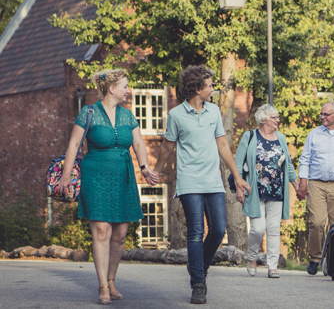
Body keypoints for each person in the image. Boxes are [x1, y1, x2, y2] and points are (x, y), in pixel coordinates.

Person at [151, 65, 249, 305]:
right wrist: (155, 171)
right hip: (190, 182)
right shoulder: (176, 115)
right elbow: (167, 146)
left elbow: (223, 145)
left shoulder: (214, 111)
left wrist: (236, 176)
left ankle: (199, 266)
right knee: (196, 232)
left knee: (218, 230)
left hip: (213, 181)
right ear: (197, 89)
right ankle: (198, 282)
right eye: (209, 86)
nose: (213, 89)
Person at [57, 69, 156, 305]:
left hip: (123, 176)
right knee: (102, 231)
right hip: (95, 176)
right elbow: (73, 144)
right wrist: (66, 176)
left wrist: (144, 167)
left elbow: (139, 143)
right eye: (125, 86)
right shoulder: (88, 112)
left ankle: (112, 280)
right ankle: (102, 285)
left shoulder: (128, 115)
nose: (128, 90)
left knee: (120, 234)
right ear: (112, 88)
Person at [235, 104, 299, 279]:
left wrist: (297, 185)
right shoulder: (250, 136)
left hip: (277, 191)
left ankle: (272, 266)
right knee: (258, 228)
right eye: (274, 117)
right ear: (264, 119)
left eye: (278, 117)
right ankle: (252, 257)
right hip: (254, 191)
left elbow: (288, 166)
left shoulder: (281, 138)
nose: (278, 120)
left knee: (273, 228)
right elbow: (238, 164)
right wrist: (239, 188)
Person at [297, 102, 334, 275]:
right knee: (317, 222)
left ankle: (332, 260)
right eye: (321, 114)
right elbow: (304, 159)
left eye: (326, 114)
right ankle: (315, 259)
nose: (323, 117)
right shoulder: (313, 134)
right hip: (316, 184)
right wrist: (303, 182)